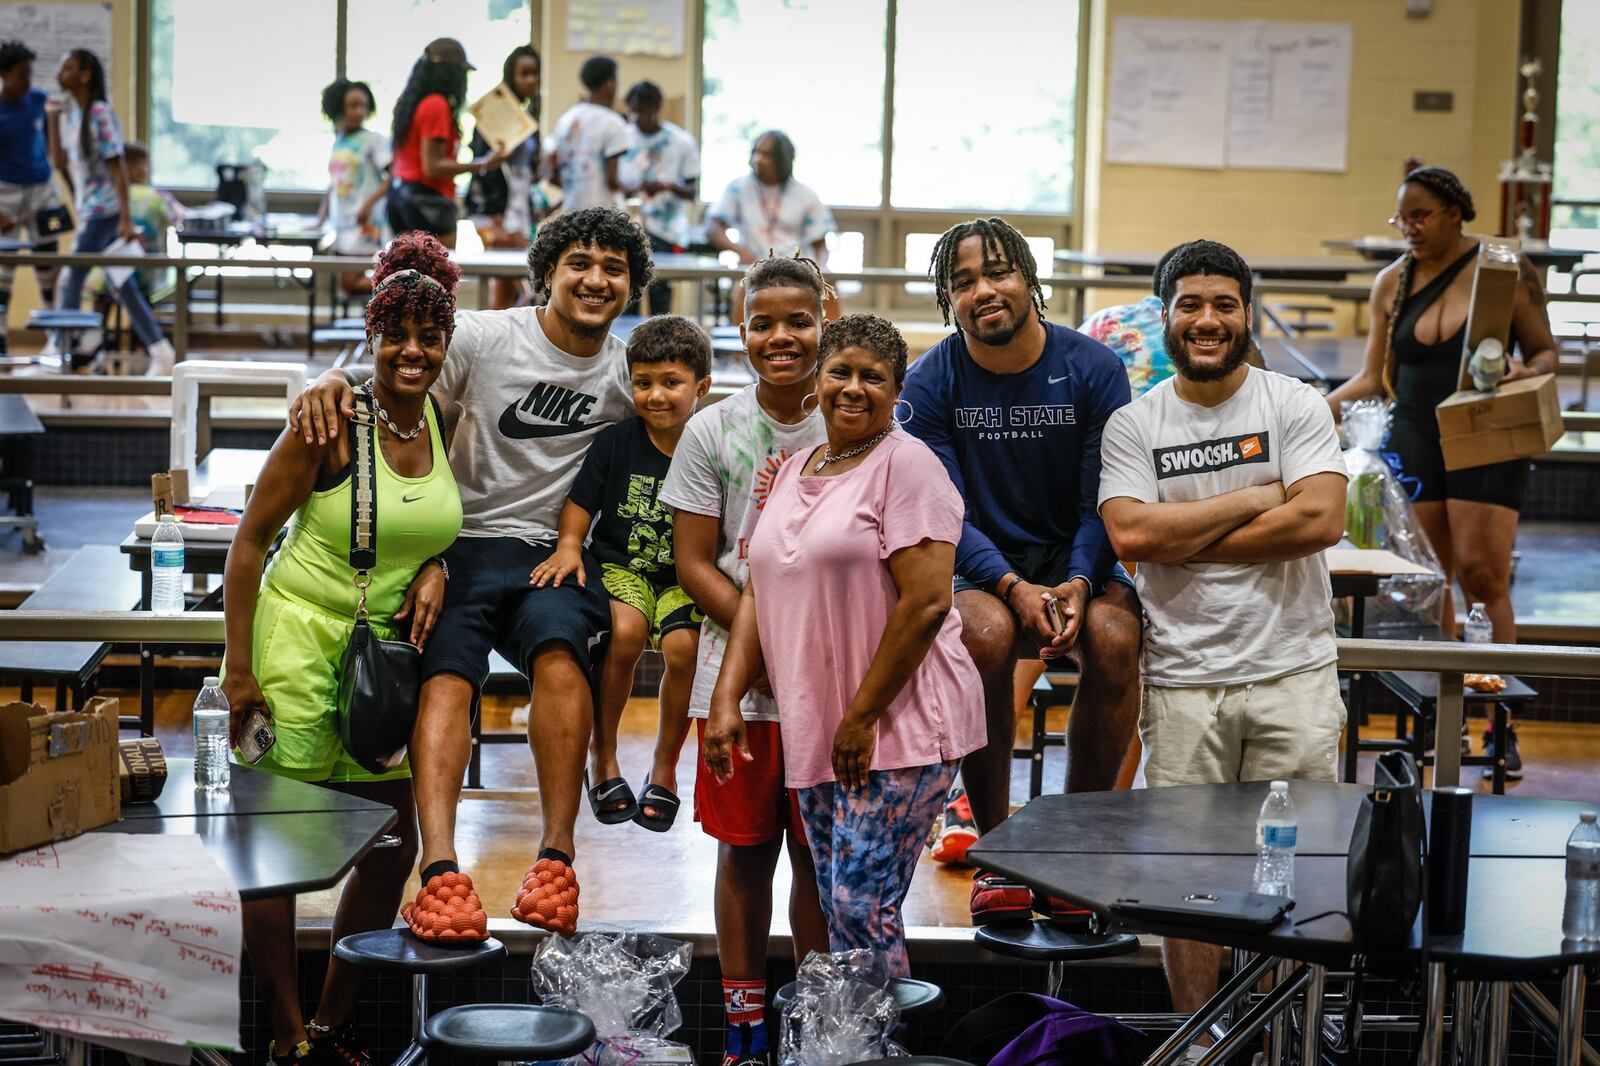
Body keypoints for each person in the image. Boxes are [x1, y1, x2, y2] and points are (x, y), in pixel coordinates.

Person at [290, 207, 653, 942]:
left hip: (555, 554)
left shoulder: (624, 373)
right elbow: (392, 374)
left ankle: (556, 859)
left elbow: (682, 438)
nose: (595, 279)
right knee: (446, 676)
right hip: (460, 546)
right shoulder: (487, 339)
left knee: (560, 659)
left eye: (614, 269)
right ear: (546, 271)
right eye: (579, 262)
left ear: (632, 287)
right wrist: (329, 379)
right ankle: (441, 871)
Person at [222, 232, 463, 1066]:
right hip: (295, 644)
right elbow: (249, 543)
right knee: (280, 855)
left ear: (445, 345)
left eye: (428, 338)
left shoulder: (444, 416)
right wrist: (238, 669)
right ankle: (289, 1039)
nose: (411, 351)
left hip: (384, 662)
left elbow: (437, 519)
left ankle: (333, 1022)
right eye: (394, 334)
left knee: (392, 842)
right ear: (370, 336)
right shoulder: (328, 421)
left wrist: (438, 562)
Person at [1097, 238, 1348, 1025]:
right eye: (1191, 305)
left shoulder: (1294, 403)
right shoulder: (1134, 425)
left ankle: (1271, 1042)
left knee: (1289, 876)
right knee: (1187, 878)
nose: (1208, 321)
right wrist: (1251, 499)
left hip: (1292, 674)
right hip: (1182, 681)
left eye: (1224, 305)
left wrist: (1184, 533)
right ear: (1166, 316)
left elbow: (1320, 517)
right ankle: (1200, 1043)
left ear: (1246, 313)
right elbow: (1131, 537)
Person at [704, 313, 985, 978]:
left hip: (901, 725)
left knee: (862, 908)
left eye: (873, 377)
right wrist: (726, 696)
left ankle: (876, 1047)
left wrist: (861, 717)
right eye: (841, 372)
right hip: (822, 727)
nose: (853, 388)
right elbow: (755, 590)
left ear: (897, 391)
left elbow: (926, 603)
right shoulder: (792, 468)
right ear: (817, 380)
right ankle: (851, 1043)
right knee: (840, 906)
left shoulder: (910, 467)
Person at [900, 217, 1142, 924]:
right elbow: (946, 514)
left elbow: (1105, 498)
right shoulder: (931, 381)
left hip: (1077, 564)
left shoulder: (1094, 368)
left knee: (1117, 639)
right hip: (981, 568)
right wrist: (1009, 585)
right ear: (949, 299)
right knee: (982, 633)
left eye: (999, 272)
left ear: (1029, 278)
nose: (985, 290)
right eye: (964, 281)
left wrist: (1077, 580)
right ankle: (996, 841)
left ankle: (1076, 844)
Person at [1324, 166, 1558, 777]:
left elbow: (1546, 354)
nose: (1410, 229)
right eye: (1402, 218)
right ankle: (1444, 722)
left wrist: (1518, 372)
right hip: (1417, 433)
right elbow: (1375, 378)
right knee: (1431, 584)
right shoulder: (1391, 282)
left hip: (1484, 428)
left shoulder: (1504, 268)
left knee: (1484, 574)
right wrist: (1305, 409)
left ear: (1457, 213)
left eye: (1421, 216)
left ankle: (1499, 723)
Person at [658, 253, 831, 1066]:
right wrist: (765, 649)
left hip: (834, 677)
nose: (782, 336)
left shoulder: (858, 420)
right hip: (742, 684)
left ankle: (820, 1024)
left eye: (798, 320)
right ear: (741, 330)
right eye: (763, 322)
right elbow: (695, 562)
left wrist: (801, 650)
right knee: (745, 849)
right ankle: (743, 1024)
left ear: (824, 318)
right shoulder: (712, 428)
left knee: (819, 858)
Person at [529, 315, 711, 832]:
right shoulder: (616, 442)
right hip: (622, 566)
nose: (655, 396)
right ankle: (603, 754)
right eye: (643, 382)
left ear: (702, 387)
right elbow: (580, 505)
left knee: (684, 650)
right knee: (626, 633)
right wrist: (568, 547)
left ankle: (665, 764)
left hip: (683, 577)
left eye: (671, 383)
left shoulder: (710, 445)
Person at [50, 48, 175, 373]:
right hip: (92, 210)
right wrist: (51, 119)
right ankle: (160, 351)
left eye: (67, 68)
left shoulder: (100, 112)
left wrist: (124, 218)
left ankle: (60, 349)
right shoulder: (73, 114)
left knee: (70, 279)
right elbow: (61, 163)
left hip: (106, 211)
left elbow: (117, 167)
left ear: (85, 75)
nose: (59, 74)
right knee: (123, 284)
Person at [387, 38, 506, 247]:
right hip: (428, 204)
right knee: (437, 276)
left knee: (408, 275)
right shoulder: (436, 105)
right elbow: (433, 167)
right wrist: (484, 163)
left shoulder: (409, 103)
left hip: (400, 200)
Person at [466, 44, 542, 310]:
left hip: (519, 210)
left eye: (535, 74)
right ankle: (494, 346)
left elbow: (527, 173)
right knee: (503, 281)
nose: (531, 80)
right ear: (511, 75)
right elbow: (484, 167)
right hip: (496, 211)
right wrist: (496, 214)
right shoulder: (492, 113)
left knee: (514, 284)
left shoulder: (530, 119)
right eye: (525, 73)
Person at [0, 40, 62, 359]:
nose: (27, 80)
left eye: (29, 73)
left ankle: (57, 338)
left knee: (49, 266)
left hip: (43, 193)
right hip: (6, 196)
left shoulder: (37, 100)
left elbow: (50, 143)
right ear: (4, 75)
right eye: (21, 74)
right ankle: (1, 343)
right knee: (3, 274)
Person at [85, 142, 181, 340]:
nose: (147, 169)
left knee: (108, 278)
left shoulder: (103, 199)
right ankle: (147, 339)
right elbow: (179, 219)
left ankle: (95, 336)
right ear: (129, 166)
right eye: (144, 164)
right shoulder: (157, 197)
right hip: (146, 273)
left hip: (105, 273)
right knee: (130, 280)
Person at [619, 79, 699, 314]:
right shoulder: (623, 138)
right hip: (629, 225)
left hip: (665, 229)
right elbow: (612, 182)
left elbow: (692, 190)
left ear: (655, 108)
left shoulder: (680, 142)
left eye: (641, 110)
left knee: (659, 291)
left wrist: (667, 186)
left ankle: (658, 344)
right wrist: (636, 187)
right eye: (632, 110)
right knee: (627, 289)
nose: (636, 117)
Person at [708, 130, 834, 266]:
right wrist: (741, 251)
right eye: (756, 152)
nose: (758, 159)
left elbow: (820, 245)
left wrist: (819, 270)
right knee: (742, 286)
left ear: (783, 159)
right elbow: (713, 228)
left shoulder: (805, 195)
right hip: (754, 268)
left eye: (766, 155)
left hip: (795, 270)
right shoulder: (738, 189)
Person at [317, 78, 390, 295]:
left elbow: (393, 177)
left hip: (365, 223)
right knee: (345, 284)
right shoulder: (339, 141)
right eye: (353, 105)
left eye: (363, 106)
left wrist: (368, 204)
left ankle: (399, 288)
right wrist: (320, 219)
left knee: (348, 283)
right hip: (343, 224)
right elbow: (334, 184)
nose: (360, 111)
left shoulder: (374, 140)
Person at [546, 56, 629, 215]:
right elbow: (612, 180)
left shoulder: (565, 120)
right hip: (602, 217)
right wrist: (635, 189)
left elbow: (554, 173)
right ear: (609, 84)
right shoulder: (613, 122)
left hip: (571, 214)